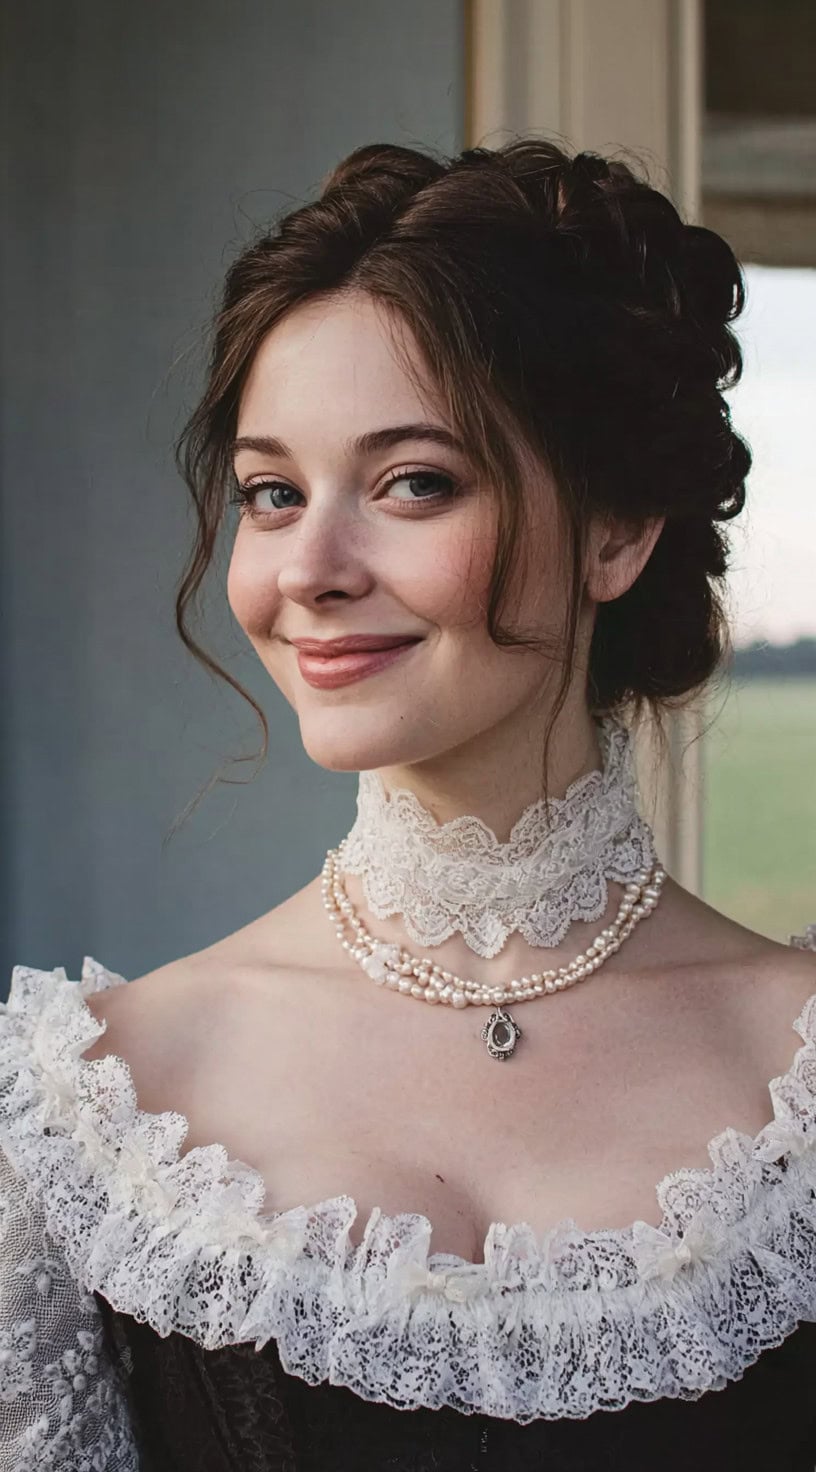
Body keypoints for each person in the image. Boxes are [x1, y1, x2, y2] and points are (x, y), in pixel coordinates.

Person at [1, 137, 815, 1471]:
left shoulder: (802, 1088)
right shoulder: (92, 1112)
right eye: (273, 494)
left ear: (616, 529)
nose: (309, 568)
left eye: (412, 483)